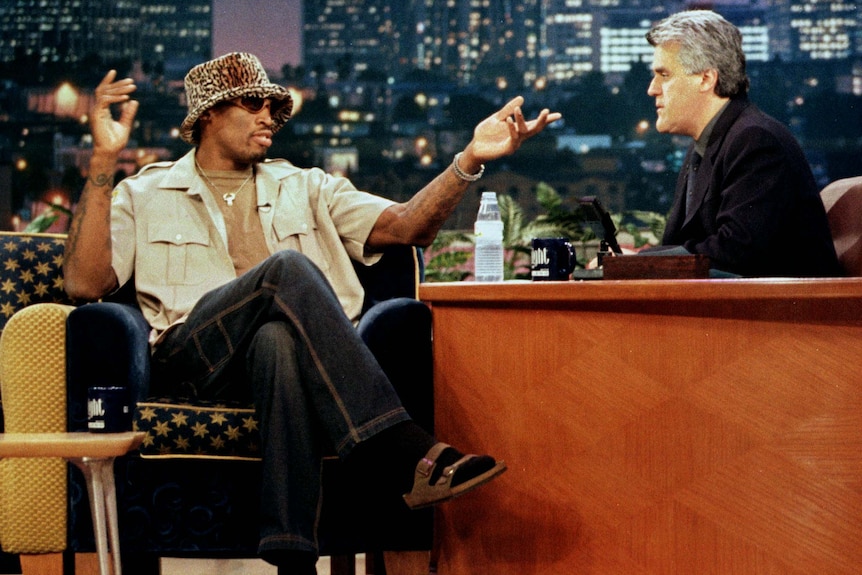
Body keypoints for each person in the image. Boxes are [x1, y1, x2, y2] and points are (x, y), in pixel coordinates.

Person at [63, 52, 560, 574]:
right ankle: (401, 447)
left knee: (277, 339)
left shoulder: (309, 186)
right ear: (208, 114)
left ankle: (291, 553)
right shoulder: (144, 192)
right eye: (253, 104)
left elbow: (408, 227)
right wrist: (102, 160)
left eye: (274, 108)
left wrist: (468, 161)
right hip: (196, 356)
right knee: (287, 270)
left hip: (296, 362)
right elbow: (83, 283)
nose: (268, 118)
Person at [640, 10, 842, 277]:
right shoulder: (706, 146)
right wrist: (634, 262)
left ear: (706, 79)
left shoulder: (756, 141)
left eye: (664, 75)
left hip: (785, 314)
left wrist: (639, 262)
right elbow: (682, 244)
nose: (652, 88)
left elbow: (734, 252)